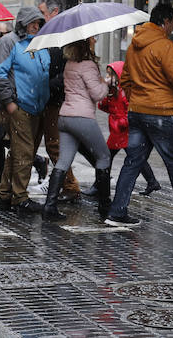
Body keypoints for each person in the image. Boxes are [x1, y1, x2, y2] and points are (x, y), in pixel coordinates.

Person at [104, 3, 173, 226]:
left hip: (137, 112)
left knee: (133, 162)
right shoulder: (164, 45)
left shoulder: (135, 44)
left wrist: (138, 99)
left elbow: (125, 79)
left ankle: (117, 211)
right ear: (166, 21)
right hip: (160, 113)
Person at [43, 37, 112, 221]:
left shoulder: (70, 64)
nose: (95, 41)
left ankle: (49, 207)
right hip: (82, 117)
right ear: (86, 45)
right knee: (104, 156)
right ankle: (105, 207)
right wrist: (106, 82)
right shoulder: (88, 65)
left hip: (65, 116)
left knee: (63, 161)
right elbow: (97, 94)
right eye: (92, 40)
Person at [0, 7, 50, 213]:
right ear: (22, 23)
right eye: (32, 22)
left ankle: (6, 193)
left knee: (18, 151)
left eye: (38, 23)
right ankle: (20, 197)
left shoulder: (39, 43)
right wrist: (9, 102)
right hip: (19, 105)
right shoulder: (9, 42)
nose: (35, 26)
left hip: (36, 106)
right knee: (24, 151)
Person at [0, 20, 48, 189]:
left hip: (8, 102)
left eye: (1, 34)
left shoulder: (15, 48)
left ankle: (38, 161)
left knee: (8, 141)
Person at [83, 61, 161, 197]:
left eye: (110, 75)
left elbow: (130, 113)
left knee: (108, 158)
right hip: (117, 132)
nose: (107, 77)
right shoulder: (114, 91)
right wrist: (106, 93)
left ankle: (99, 185)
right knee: (133, 157)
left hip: (123, 132)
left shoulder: (125, 92)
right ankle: (152, 181)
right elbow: (104, 107)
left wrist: (120, 122)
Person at [38, 0, 81, 201]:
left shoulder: (64, 36)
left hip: (56, 99)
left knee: (54, 143)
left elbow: (66, 71)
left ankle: (70, 186)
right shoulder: (51, 33)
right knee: (54, 143)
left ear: (54, 12)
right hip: (49, 97)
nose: (41, 17)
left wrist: (48, 84)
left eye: (43, 13)